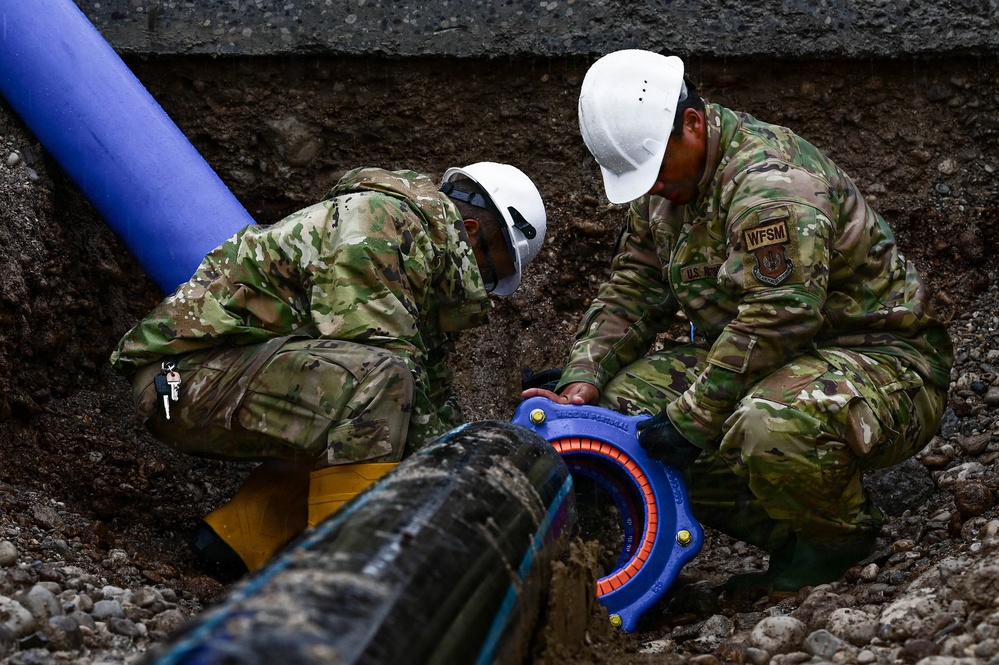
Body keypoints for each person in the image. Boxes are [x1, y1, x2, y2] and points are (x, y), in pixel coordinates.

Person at [523, 49, 953, 595]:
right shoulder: (665, 188)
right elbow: (632, 288)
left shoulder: (770, 186)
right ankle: (787, 531)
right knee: (621, 406)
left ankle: (837, 543)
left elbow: (781, 317)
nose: (651, 187)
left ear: (693, 125)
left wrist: (692, 417)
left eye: (653, 171)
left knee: (768, 420)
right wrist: (581, 379)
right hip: (772, 357)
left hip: (883, 364)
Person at [111, 162, 546, 579]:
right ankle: (345, 575)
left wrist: (465, 457)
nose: (484, 291)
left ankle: (238, 541)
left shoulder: (417, 255)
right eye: (490, 275)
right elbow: (382, 364)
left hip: (218, 377)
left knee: (367, 413)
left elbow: (427, 394)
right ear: (470, 234)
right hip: (178, 380)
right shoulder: (377, 221)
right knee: (378, 386)